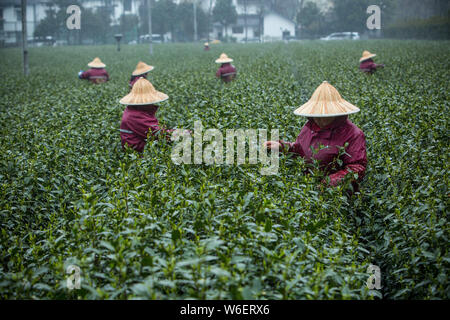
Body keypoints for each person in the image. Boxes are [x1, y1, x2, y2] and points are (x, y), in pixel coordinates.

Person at [265, 81, 367, 191]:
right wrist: (283, 147)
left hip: (335, 195)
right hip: (308, 188)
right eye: (316, 115)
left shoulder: (353, 134)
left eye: (323, 115)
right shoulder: (309, 127)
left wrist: (328, 184)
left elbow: (356, 168)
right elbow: (300, 150)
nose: (318, 119)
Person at [119, 78, 173, 153]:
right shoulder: (136, 116)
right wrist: (182, 133)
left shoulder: (132, 110)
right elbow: (159, 135)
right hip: (138, 154)